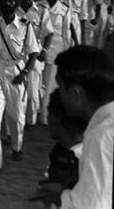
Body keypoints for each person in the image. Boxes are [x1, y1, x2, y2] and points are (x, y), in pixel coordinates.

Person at [37, 46, 114, 208]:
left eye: (60, 87)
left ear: (75, 93)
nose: (59, 94)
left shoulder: (101, 135)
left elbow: (91, 205)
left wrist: (63, 198)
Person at [0, 0, 41, 174]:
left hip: (17, 71)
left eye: (11, 0)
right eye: (4, 0)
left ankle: (17, 147)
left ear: (15, 4)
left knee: (16, 116)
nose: (7, 3)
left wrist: (25, 73)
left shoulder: (26, 26)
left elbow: (33, 52)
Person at [37, 0, 75, 125]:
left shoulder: (65, 7)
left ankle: (45, 116)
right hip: (38, 48)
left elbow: (67, 33)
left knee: (50, 84)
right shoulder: (38, 3)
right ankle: (35, 110)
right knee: (37, 83)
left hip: (56, 51)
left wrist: (67, 54)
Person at [17, 0, 54, 126]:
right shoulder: (13, 10)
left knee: (32, 93)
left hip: (35, 54)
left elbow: (49, 33)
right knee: (18, 92)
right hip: (17, 55)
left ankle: (31, 120)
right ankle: (19, 120)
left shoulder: (41, 10)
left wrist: (44, 50)